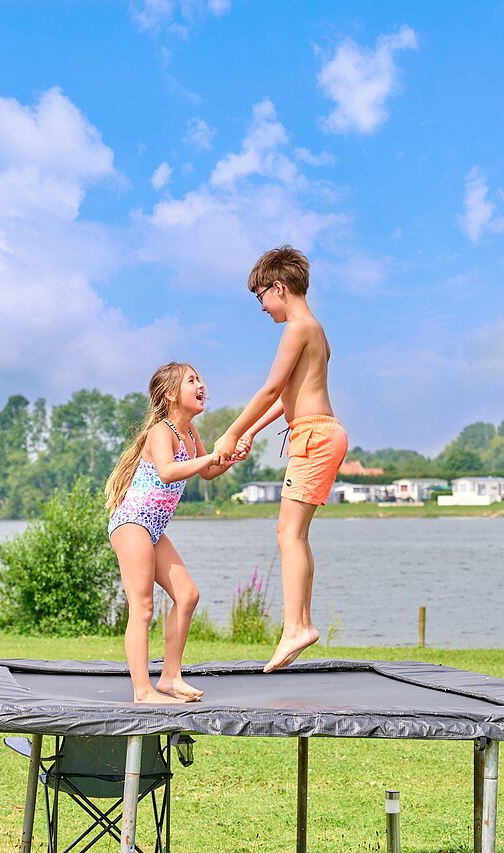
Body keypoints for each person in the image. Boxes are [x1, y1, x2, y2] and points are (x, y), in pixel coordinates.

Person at [210, 245, 347, 673]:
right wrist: (250, 432)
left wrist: (230, 432)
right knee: (294, 534)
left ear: (278, 287)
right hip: (317, 433)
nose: (261, 307)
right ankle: (300, 623)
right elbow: (289, 396)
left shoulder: (297, 328)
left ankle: (295, 627)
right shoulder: (316, 330)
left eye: (260, 297)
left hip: (313, 437)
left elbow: (270, 389)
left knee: (288, 534)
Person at [105, 362, 237, 703]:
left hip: (153, 528)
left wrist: (228, 459)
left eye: (201, 379)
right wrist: (212, 458)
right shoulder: (161, 432)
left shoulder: (190, 433)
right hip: (133, 522)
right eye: (192, 380)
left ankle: (170, 678)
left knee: (188, 595)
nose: (201, 384)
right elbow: (166, 472)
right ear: (170, 394)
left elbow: (207, 472)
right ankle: (142, 691)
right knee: (143, 607)